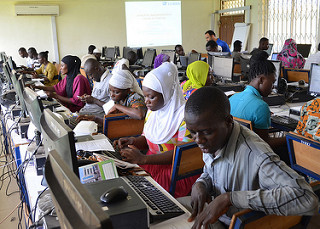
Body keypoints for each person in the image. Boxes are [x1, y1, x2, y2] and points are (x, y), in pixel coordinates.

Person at [182, 86, 318, 228]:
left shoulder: (256, 155)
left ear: (228, 121)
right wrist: (201, 183)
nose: (198, 140)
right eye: (193, 133)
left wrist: (231, 198)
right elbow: (211, 169)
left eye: (206, 132)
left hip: (233, 223)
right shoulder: (213, 140)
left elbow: (307, 198)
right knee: (168, 211)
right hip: (216, 215)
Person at [114, 62, 199, 198]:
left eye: (151, 97)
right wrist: (133, 141)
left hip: (175, 172)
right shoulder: (152, 112)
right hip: (151, 162)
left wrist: (143, 159)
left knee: (146, 196)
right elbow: (147, 140)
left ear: (167, 94)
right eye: (145, 96)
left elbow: (182, 155)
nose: (146, 101)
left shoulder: (185, 117)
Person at [229, 51, 289, 164]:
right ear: (261, 80)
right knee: (290, 149)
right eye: (272, 82)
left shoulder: (233, 98)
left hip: (236, 154)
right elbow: (265, 143)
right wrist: (290, 138)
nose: (273, 88)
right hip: (253, 159)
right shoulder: (261, 106)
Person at [78, 69, 147, 125]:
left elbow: (140, 114)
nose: (112, 94)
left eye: (116, 92)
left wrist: (117, 106)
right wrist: (95, 119)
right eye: (110, 90)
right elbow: (113, 123)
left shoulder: (135, 97)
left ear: (127, 90)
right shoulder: (118, 99)